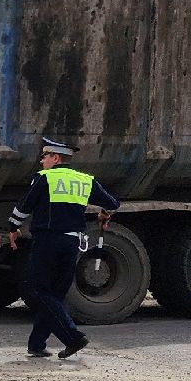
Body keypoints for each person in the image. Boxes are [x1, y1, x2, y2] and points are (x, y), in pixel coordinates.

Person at [8, 137, 120, 358]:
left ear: (55, 158)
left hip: (48, 241)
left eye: (44, 157)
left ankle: (73, 338)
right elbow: (112, 203)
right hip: (72, 243)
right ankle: (37, 345)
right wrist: (105, 214)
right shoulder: (85, 179)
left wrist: (12, 227)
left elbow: (24, 206)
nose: (42, 162)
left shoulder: (45, 178)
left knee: (35, 289)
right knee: (53, 296)